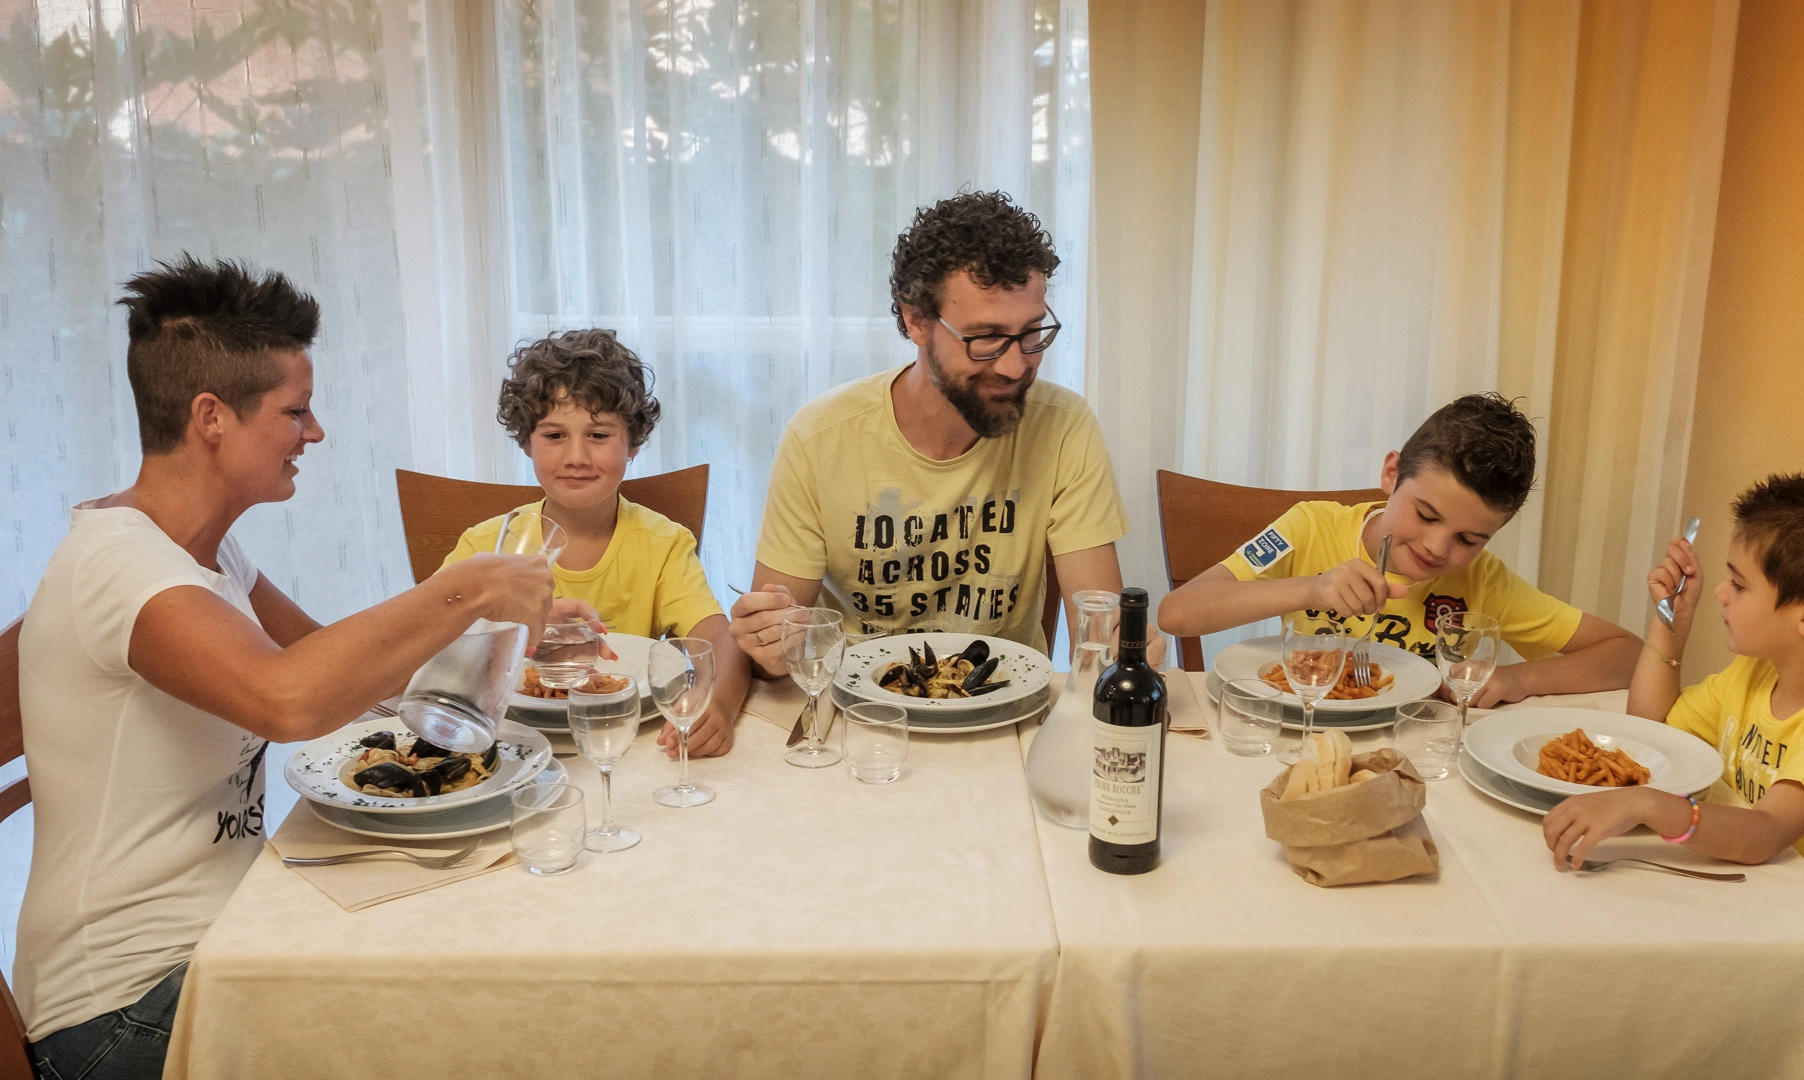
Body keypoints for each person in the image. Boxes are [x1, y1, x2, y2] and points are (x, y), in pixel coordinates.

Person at [14, 256, 554, 1079]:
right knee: (453, 1027)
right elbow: (291, 700)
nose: (316, 432)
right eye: (295, 411)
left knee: (470, 950)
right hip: (123, 1009)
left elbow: (345, 674)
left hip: (221, 944)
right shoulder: (122, 568)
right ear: (211, 417)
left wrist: (490, 633)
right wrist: (466, 587)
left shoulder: (202, 551)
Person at [728, 191, 1161, 672]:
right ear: (916, 320)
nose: (1015, 366)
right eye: (985, 338)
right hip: (858, 700)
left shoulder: (1063, 425)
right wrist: (767, 641)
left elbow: (1098, 633)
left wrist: (1123, 646)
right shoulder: (820, 437)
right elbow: (777, 649)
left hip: (1004, 697)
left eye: (1031, 332)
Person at [1543, 471, 1804, 1014]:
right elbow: (1652, 730)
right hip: (1770, 908)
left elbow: (1764, 833)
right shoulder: (1756, 672)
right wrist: (1672, 621)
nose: (1720, 592)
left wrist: (1647, 804)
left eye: (1739, 585)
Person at [1157, 393, 1639, 703]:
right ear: (1391, 473)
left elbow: (1628, 654)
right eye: (1426, 514)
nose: (1436, 547)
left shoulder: (1483, 580)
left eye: (1469, 539)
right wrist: (1312, 589)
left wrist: (1519, 679)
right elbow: (1177, 613)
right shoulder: (1307, 527)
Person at [441, 329, 747, 757]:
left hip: (624, 742)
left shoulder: (663, 543)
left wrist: (719, 705)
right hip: (501, 742)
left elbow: (717, 638)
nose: (577, 458)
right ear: (526, 442)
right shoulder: (484, 546)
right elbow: (427, 642)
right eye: (554, 436)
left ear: (633, 442)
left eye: (598, 435)